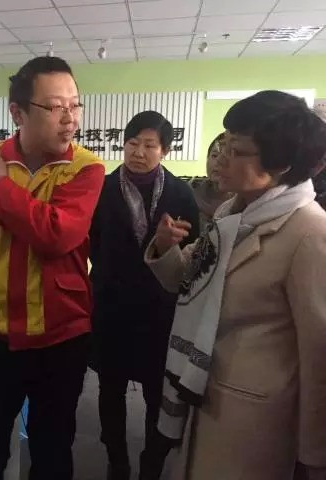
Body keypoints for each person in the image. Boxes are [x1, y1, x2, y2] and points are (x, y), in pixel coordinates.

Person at [145, 90, 326, 480]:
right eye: (223, 144)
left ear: (281, 164)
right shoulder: (232, 214)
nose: (221, 158)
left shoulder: (309, 233)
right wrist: (164, 247)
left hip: (255, 419)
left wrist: (316, 455)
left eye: (237, 150)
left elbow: (319, 356)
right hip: (202, 389)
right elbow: (186, 280)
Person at [0, 56, 105, 480]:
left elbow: (56, 235)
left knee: (52, 455)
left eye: (75, 104)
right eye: (55, 107)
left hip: (61, 341)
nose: (70, 118)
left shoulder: (86, 169)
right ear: (17, 113)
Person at [89, 111, 200, 480]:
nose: (138, 152)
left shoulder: (180, 193)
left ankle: (152, 462)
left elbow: (193, 251)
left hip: (159, 310)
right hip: (112, 306)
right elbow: (92, 243)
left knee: (157, 390)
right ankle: (116, 459)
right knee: (110, 389)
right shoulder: (102, 188)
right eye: (132, 143)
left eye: (149, 145)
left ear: (164, 150)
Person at [191, 133, 233, 231]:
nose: (218, 162)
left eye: (226, 157)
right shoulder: (190, 192)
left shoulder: (244, 202)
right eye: (214, 155)